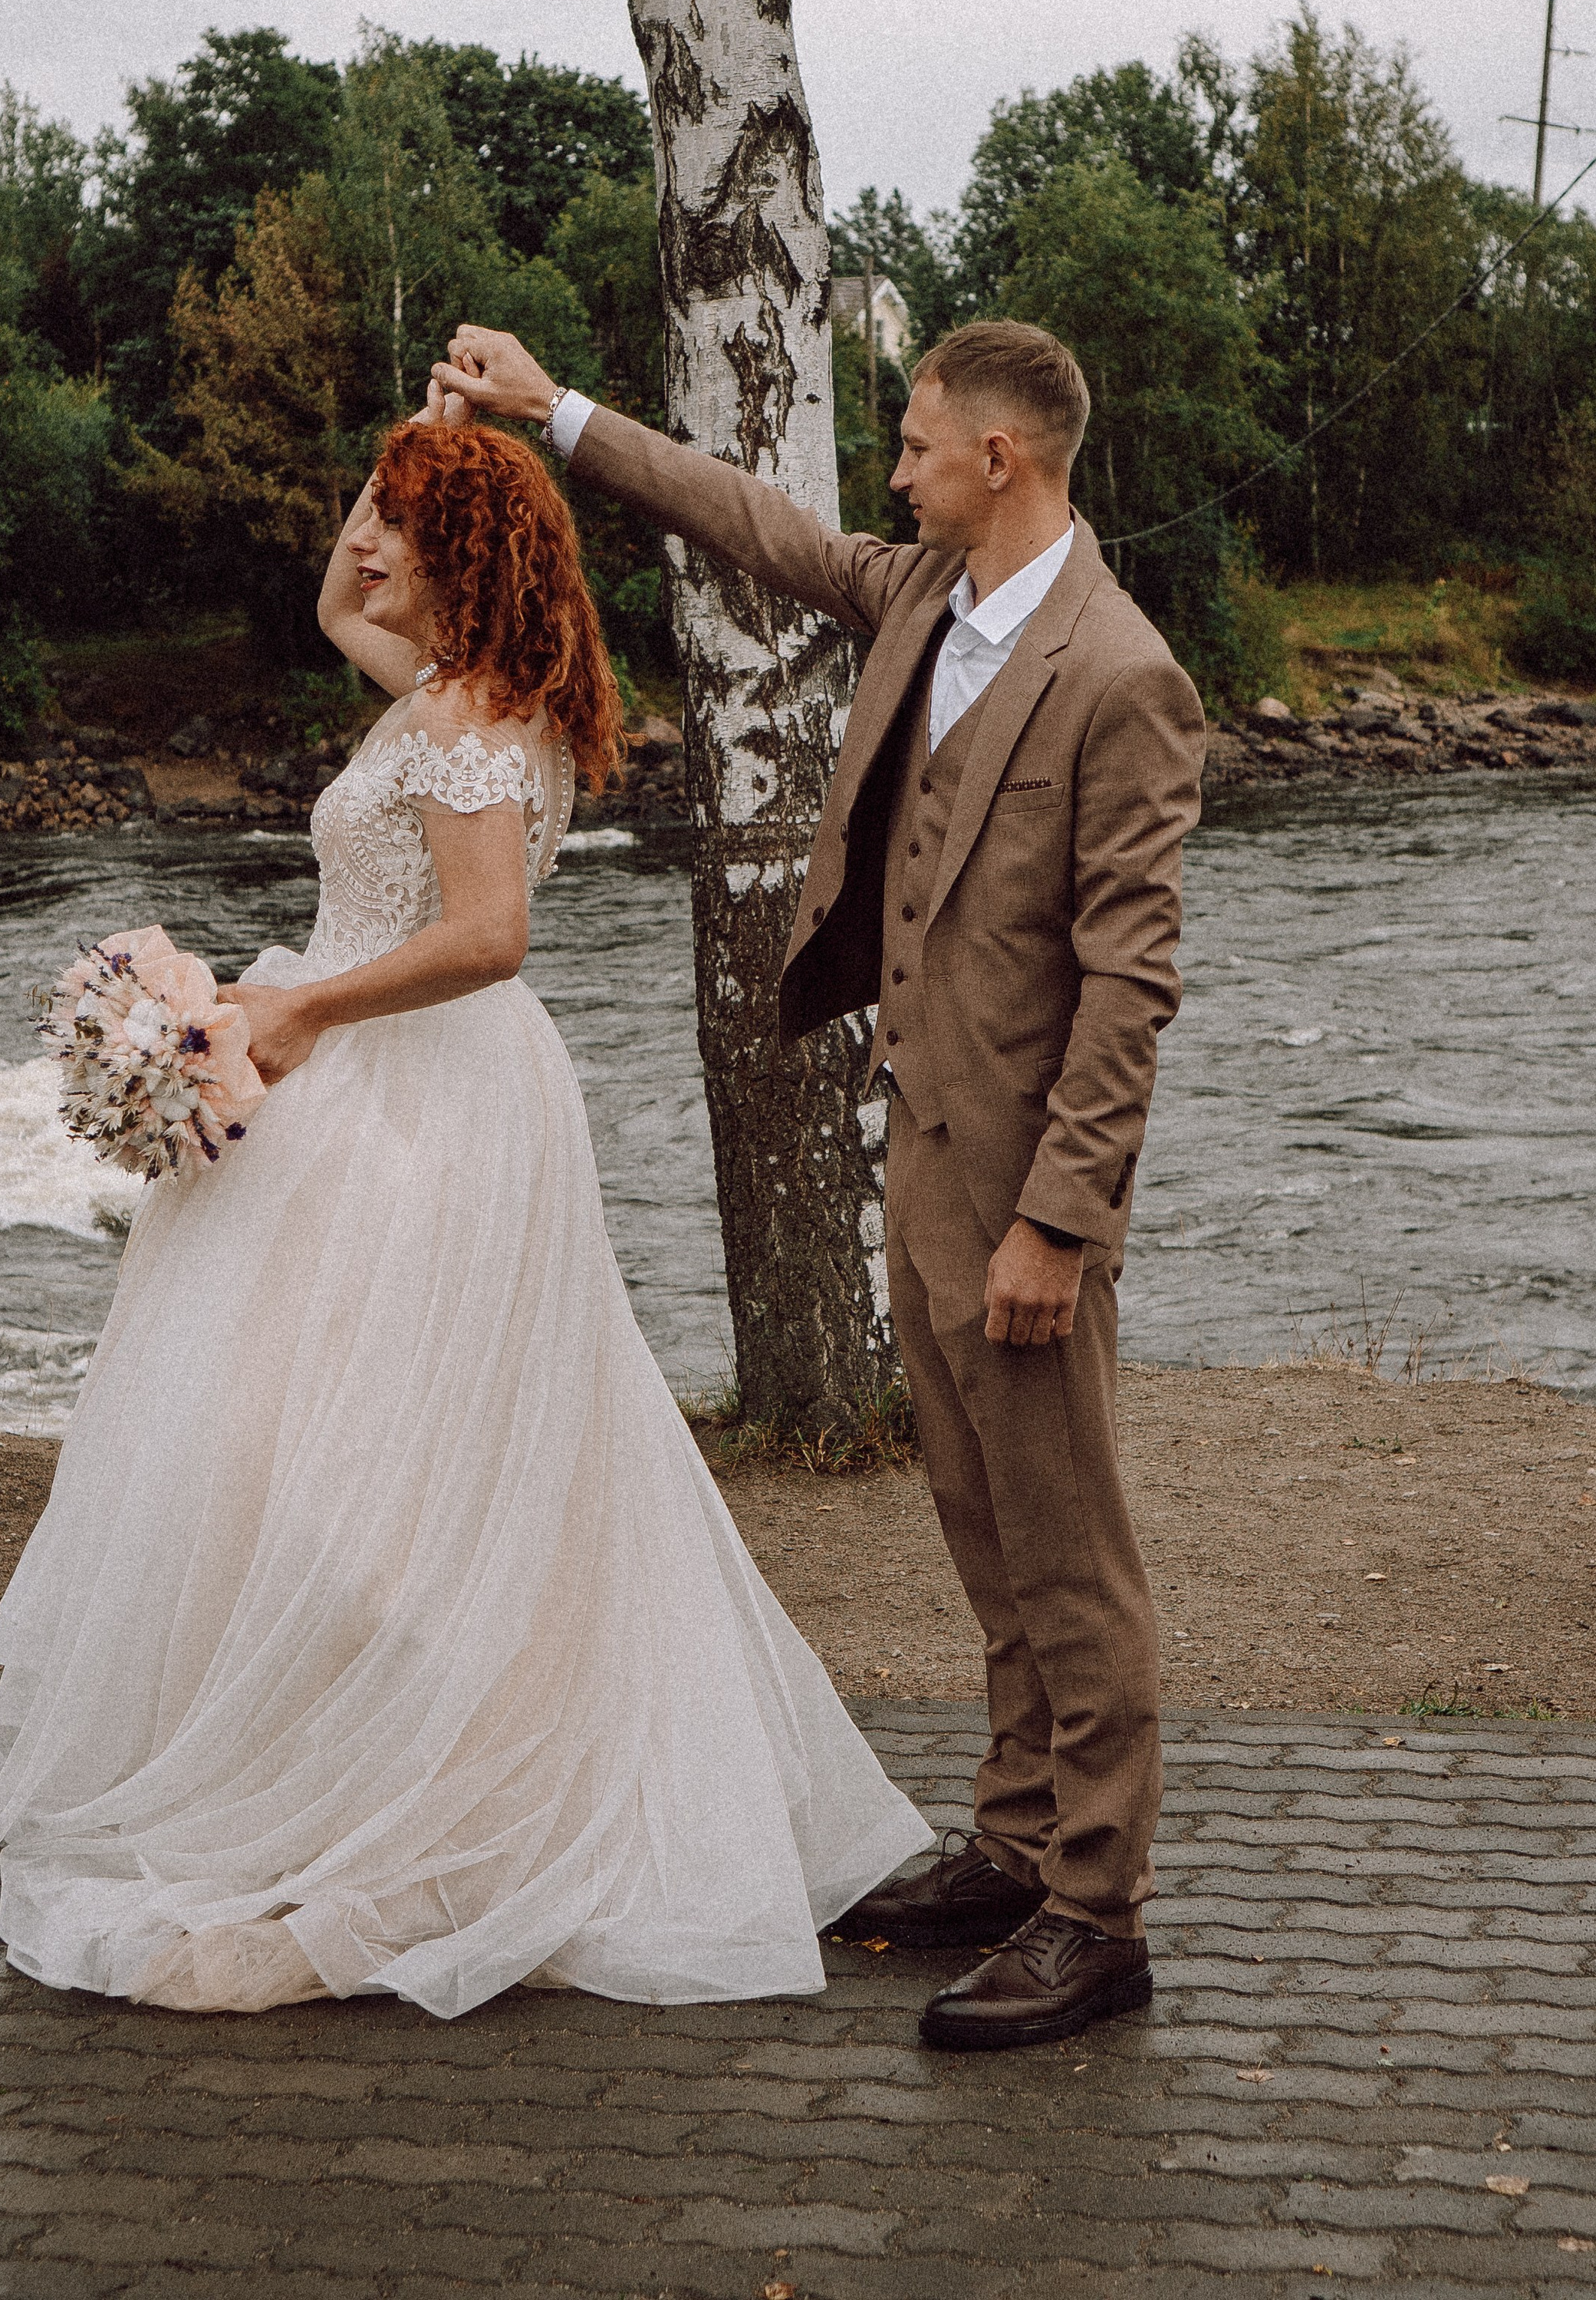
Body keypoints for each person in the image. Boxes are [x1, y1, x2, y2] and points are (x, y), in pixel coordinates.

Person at [0, 406, 929, 2017]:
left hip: (418, 1100)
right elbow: (335, 612)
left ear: (461, 556)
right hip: (345, 1079)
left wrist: (300, 1012)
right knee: (298, 1441)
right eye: (362, 508)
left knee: (374, 1453)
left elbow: (489, 936)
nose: (360, 542)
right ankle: (337, 1747)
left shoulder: (473, 720)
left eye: (395, 520)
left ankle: (431, 1792)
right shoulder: (430, 687)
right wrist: (413, 446)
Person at [443, 316, 1206, 2053]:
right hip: (919, 1145)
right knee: (977, 1519)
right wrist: (552, 408)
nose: (893, 467)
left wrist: (1055, 1224)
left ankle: (1097, 1913)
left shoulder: (1119, 674)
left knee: (1069, 1549)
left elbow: (1127, 989)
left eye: (918, 442)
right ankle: (1015, 1846)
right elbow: (751, 524)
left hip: (1022, 1189)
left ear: (1000, 459)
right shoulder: (921, 597)